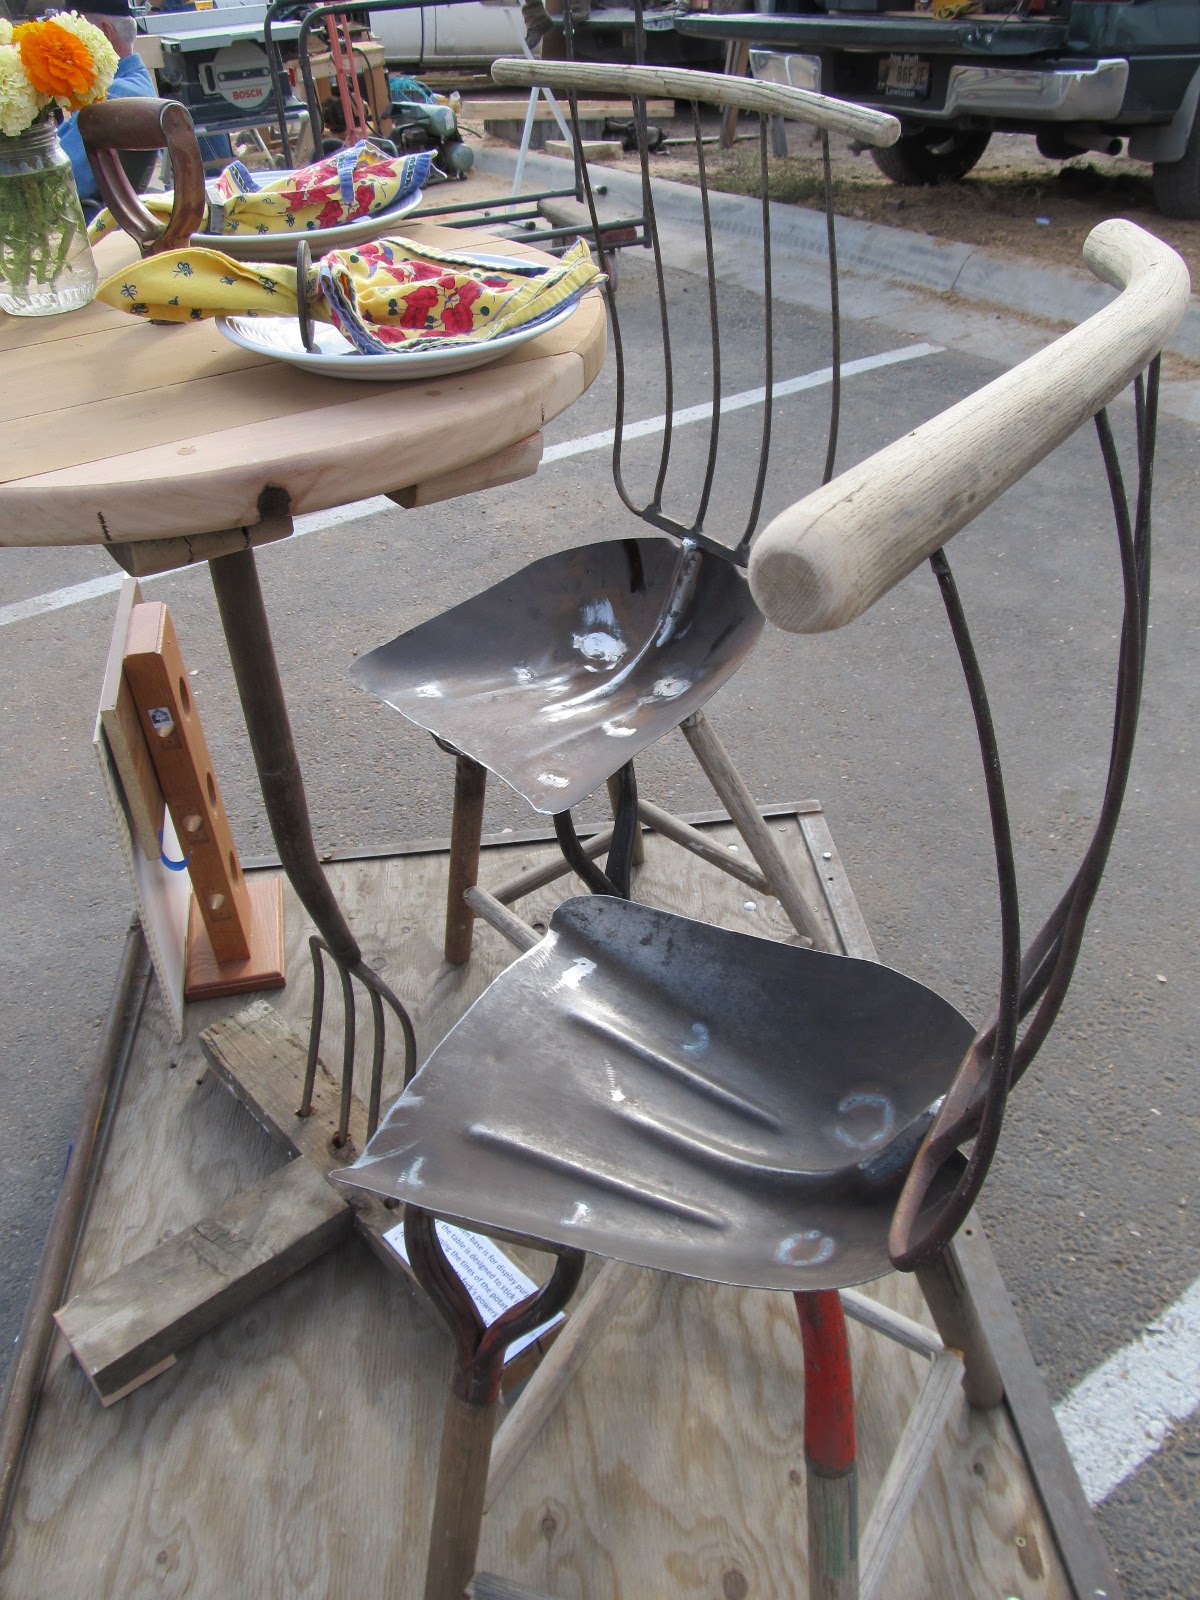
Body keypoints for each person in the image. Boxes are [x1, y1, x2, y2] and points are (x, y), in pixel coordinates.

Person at [55, 0, 157, 219]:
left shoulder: (114, 99)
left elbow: (55, 180)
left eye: (74, 32)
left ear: (104, 32)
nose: (66, 44)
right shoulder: (129, 86)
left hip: (85, 222)